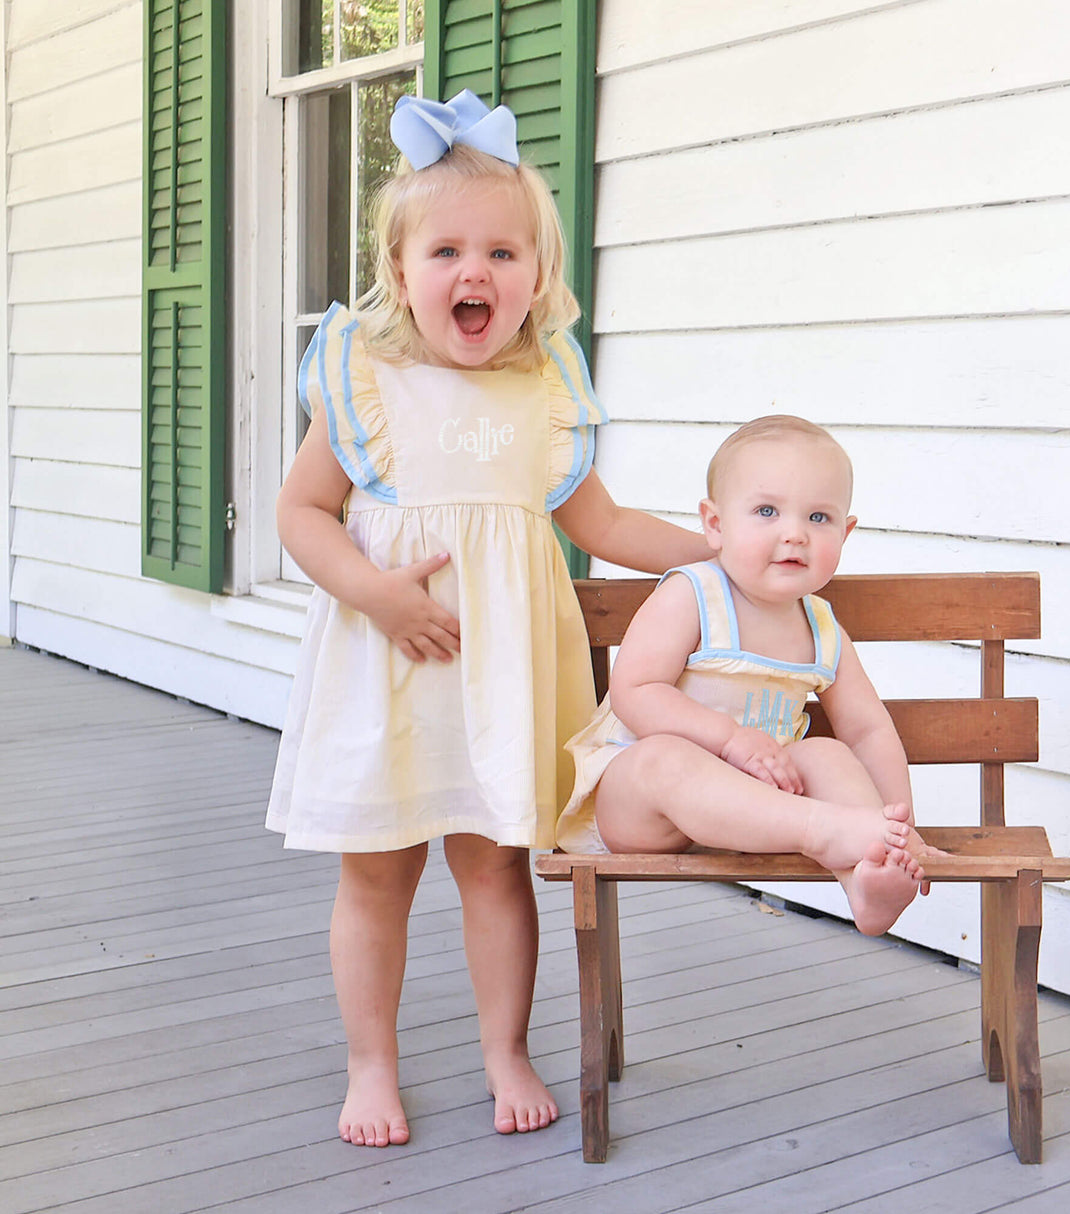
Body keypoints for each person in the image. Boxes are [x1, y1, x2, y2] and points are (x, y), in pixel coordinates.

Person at [265, 90, 711, 1149]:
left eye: (503, 253)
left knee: (495, 864)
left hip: (500, 679)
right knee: (375, 872)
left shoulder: (543, 391)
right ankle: (371, 1060)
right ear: (400, 269)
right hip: (390, 668)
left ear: (536, 276)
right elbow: (298, 510)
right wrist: (374, 590)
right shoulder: (363, 379)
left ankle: (502, 1046)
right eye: (449, 251)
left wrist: (715, 557)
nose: (476, 273)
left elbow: (596, 520)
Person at [555, 415, 933, 937]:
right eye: (766, 511)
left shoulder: (822, 628)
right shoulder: (694, 595)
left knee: (828, 753)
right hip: (644, 809)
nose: (795, 533)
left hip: (752, 813)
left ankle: (868, 876)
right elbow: (634, 691)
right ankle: (823, 832)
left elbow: (868, 730)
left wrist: (900, 827)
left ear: (845, 533)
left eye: (819, 518)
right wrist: (729, 740)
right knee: (667, 757)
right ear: (715, 524)